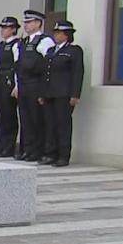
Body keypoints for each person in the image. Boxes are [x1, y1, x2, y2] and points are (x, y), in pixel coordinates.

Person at [38, 20, 84, 167]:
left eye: (59, 33)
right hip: (49, 92)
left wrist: (75, 94)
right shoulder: (51, 51)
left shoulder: (74, 50)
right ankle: (50, 153)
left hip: (64, 93)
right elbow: (45, 72)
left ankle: (63, 155)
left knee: (62, 125)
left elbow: (78, 73)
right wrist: (42, 93)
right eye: (55, 32)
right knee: (49, 124)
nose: (56, 35)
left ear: (67, 35)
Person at [15, 9, 55, 162]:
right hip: (24, 84)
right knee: (25, 119)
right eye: (25, 22)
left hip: (35, 84)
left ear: (38, 23)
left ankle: (38, 150)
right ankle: (28, 150)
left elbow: (48, 65)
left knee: (37, 119)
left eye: (29, 22)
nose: (26, 25)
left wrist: (44, 90)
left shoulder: (44, 41)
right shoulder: (24, 42)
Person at [0, 16, 22, 157]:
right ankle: (2, 145)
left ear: (14, 29)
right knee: (0, 115)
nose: (3, 30)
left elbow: (17, 66)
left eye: (6, 27)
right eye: (2, 28)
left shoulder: (17, 44)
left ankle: (9, 146)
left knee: (9, 115)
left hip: (9, 81)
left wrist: (16, 85)